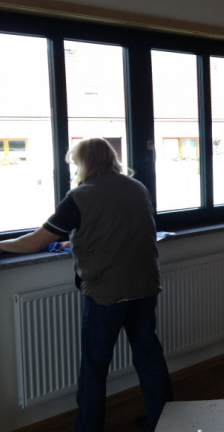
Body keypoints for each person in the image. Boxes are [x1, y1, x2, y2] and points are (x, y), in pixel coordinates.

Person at [0, 138, 172, 431]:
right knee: (149, 355)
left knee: (94, 367)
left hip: (107, 292)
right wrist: (76, 241)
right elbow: (120, 229)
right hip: (145, 285)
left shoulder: (80, 196)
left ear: (85, 163)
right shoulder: (137, 187)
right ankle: (163, 421)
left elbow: (34, 243)